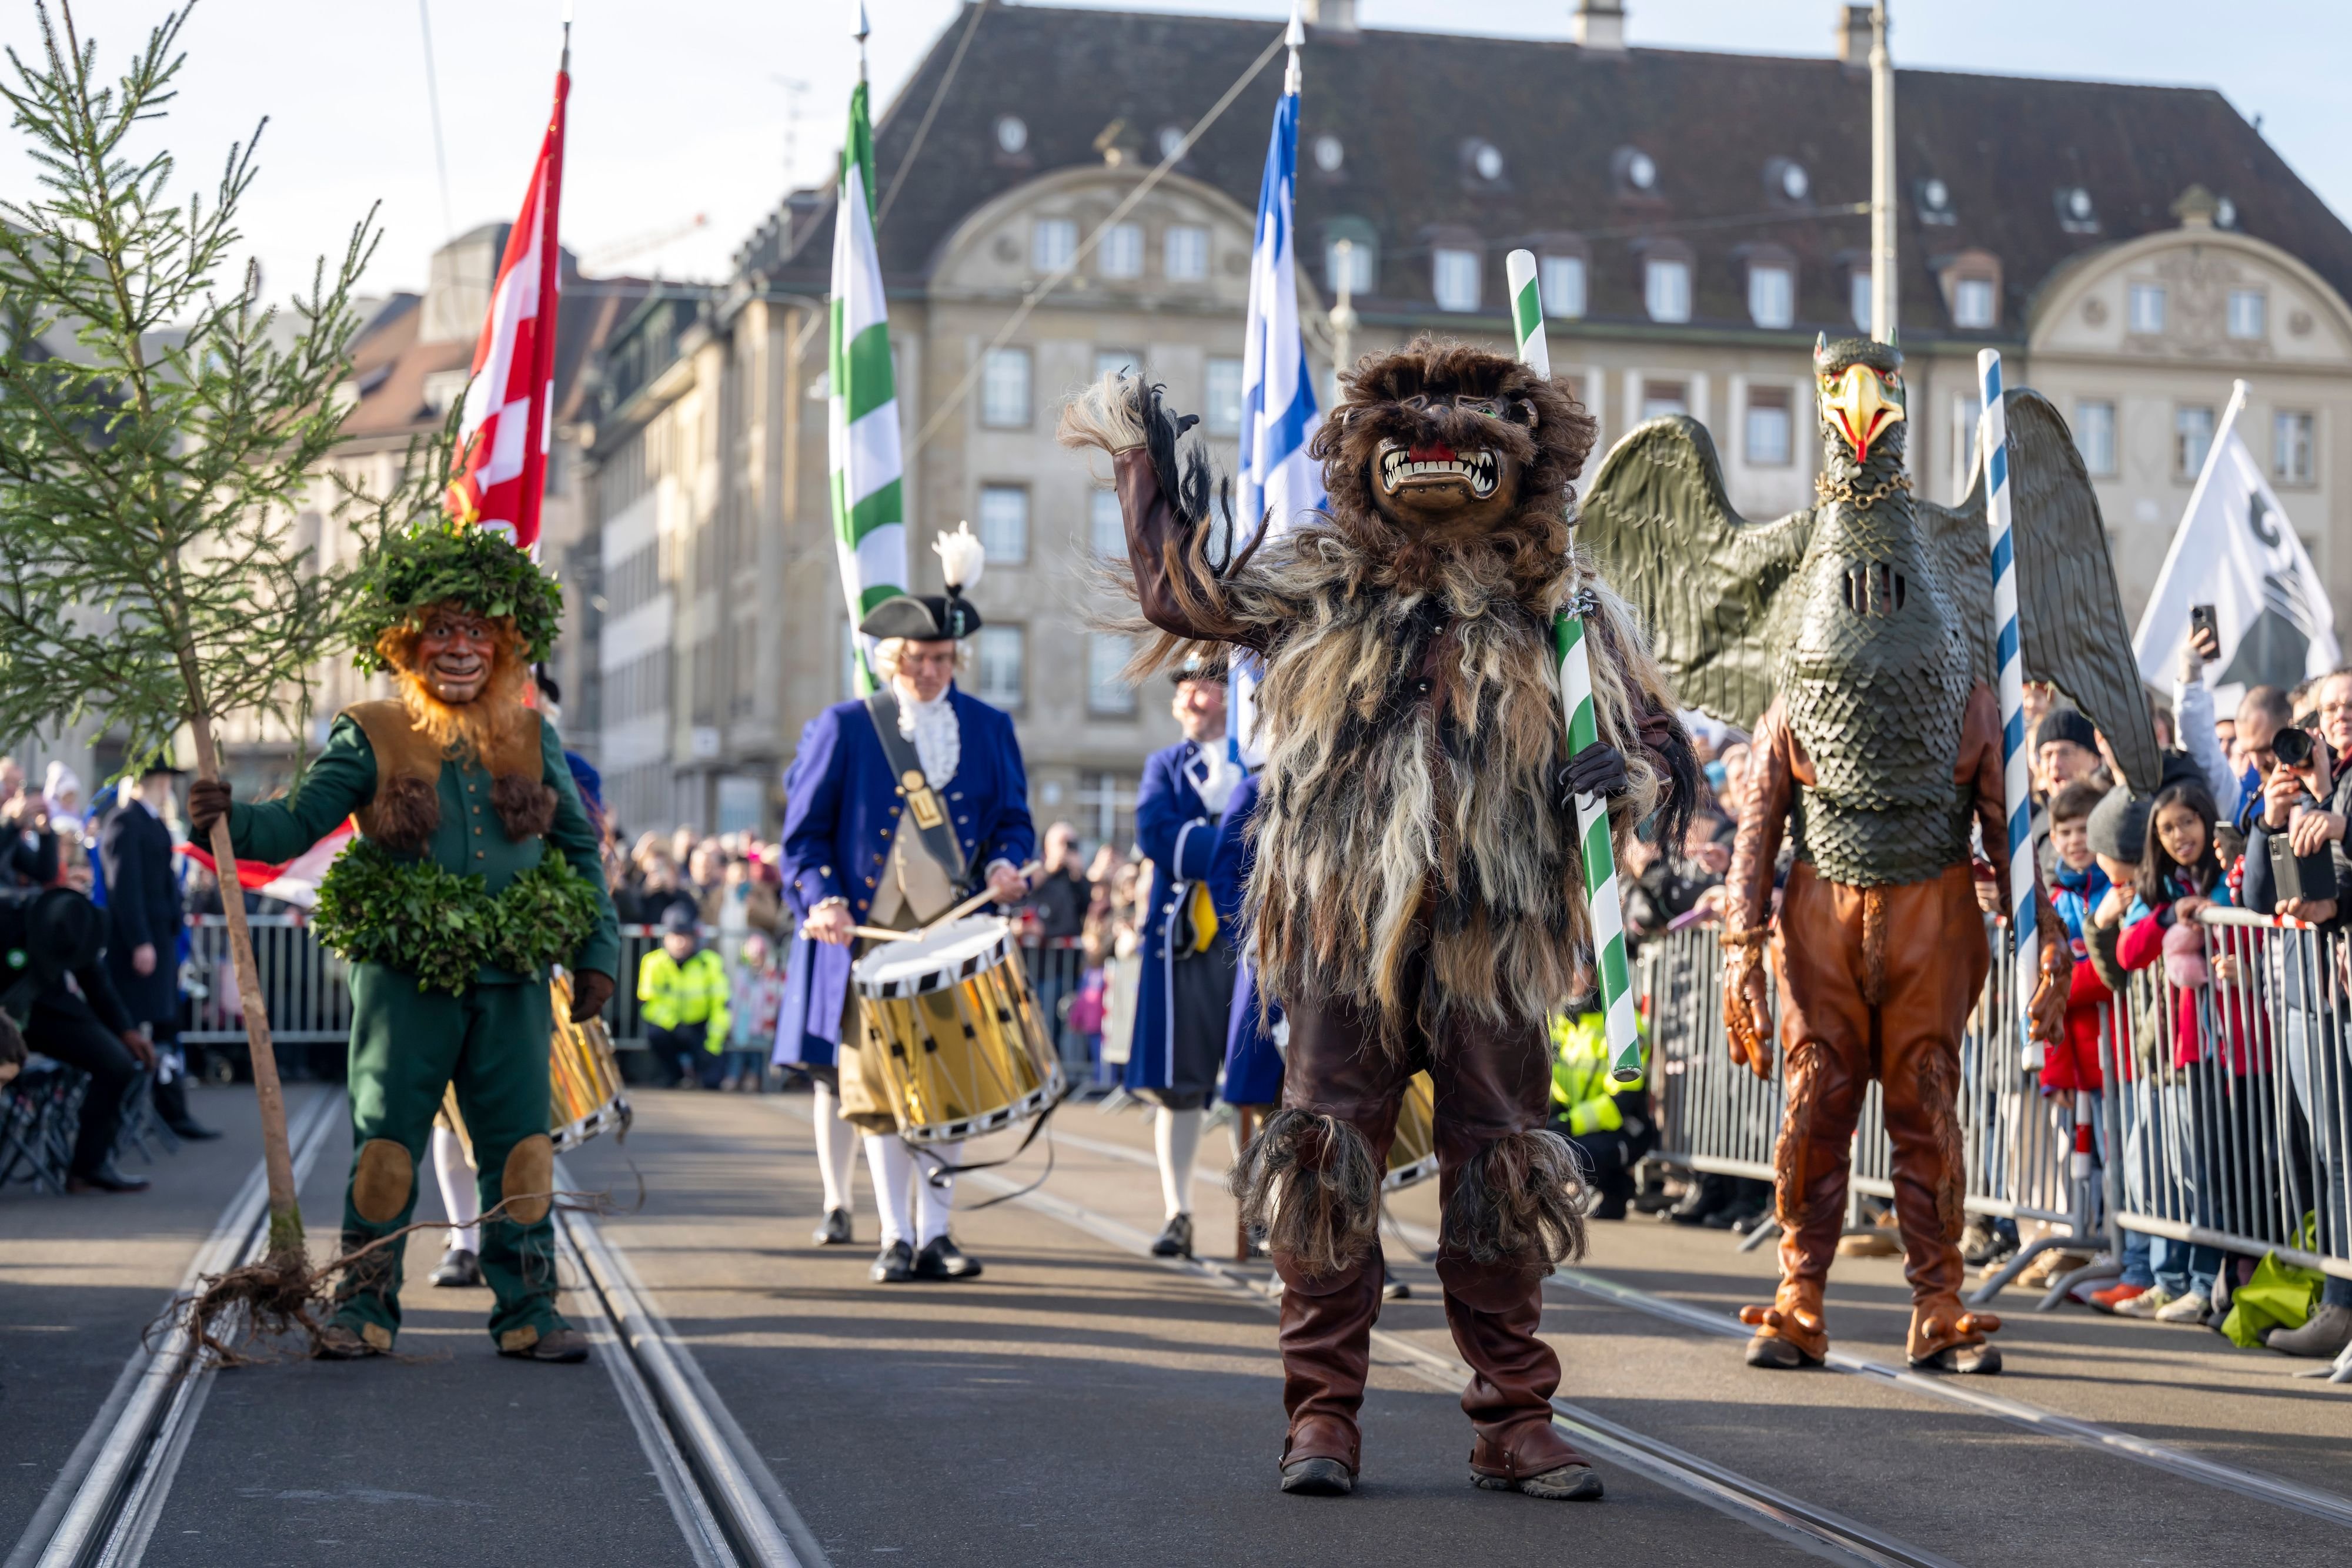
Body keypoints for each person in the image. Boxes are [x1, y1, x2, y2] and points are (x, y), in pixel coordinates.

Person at [1065, 343, 1692, 1501]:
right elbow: (1180, 600)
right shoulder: (1315, 580)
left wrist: (1618, 771)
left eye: (1478, 418)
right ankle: (1321, 1417)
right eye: (1412, 418)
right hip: (1339, 932)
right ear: (1360, 457)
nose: (1444, 436)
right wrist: (1137, 464)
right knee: (1320, 1164)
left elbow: (1654, 744)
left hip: (1491, 936)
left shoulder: (1562, 603)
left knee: (1497, 1170)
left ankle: (1514, 1416)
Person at [191, 522, 619, 1363]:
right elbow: (293, 822)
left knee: (523, 1146)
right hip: (404, 982)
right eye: (442, 631)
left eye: (477, 632)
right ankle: (364, 1307)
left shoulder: (533, 737)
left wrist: (597, 949)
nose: (460, 648)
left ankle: (529, 1305)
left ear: (504, 644)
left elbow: (578, 849)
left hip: (513, 980)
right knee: (385, 1144)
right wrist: (222, 817)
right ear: (408, 642)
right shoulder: (374, 730)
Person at [776, 542, 1034, 1283]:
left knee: (952, 1092)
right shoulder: (847, 726)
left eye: (943, 660)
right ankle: (894, 1233)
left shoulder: (989, 728)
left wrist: (1005, 863)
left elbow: (1013, 821)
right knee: (884, 1096)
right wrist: (820, 896)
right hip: (870, 942)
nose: (930, 673)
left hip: (955, 935)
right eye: (918, 659)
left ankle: (938, 1234)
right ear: (892, 659)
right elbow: (803, 838)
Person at [1130, 662, 1242, 1259]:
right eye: (1184, 688)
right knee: (1180, 1086)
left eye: (1205, 685)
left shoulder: (1259, 758)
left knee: (1258, 1086)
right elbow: (1154, 832)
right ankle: (1178, 1213)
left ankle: (1265, 1213)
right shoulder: (1163, 767)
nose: (1191, 698)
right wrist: (1231, 843)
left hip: (1252, 940)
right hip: (1185, 945)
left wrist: (1204, 841)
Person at [0, 886, 157, 1192]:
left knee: (117, 1064)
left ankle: (89, 1166)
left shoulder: (76, 926)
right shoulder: (8, 916)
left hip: (49, 1014)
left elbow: (98, 985)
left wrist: (126, 1030)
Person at [102, 760, 218, 1142]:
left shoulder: (150, 823)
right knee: (137, 1027)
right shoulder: (125, 821)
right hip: (143, 945)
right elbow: (126, 888)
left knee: (166, 1027)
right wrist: (140, 941)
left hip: (161, 942)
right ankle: (127, 1116)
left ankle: (173, 1110)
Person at [1548, 1007, 1654, 1220]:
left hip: (1625, 1129)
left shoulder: (1623, 1022)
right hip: (1579, 1123)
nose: (1572, 977)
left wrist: (1566, 1125)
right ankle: (1617, 1188)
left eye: (1580, 971)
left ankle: (1606, 1188)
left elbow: (1620, 1103)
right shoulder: (1558, 1021)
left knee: (1565, 1154)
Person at [639, 904, 731, 1088]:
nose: (680, 943)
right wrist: (675, 1025)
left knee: (712, 1082)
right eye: (675, 937)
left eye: (685, 937)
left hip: (701, 1031)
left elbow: (721, 1008)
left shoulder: (710, 963)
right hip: (672, 1028)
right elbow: (648, 1006)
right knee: (656, 1035)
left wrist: (712, 1047)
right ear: (665, 938)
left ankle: (702, 1071)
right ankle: (673, 1075)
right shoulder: (653, 962)